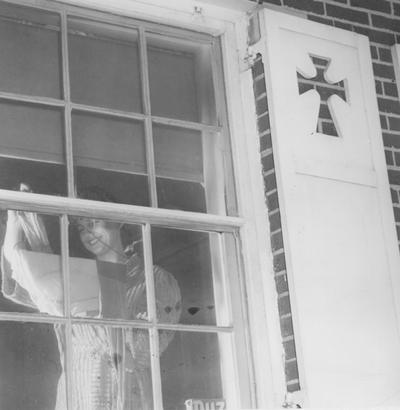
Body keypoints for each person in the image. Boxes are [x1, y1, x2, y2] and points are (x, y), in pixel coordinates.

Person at [1, 185, 182, 409]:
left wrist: (84, 315)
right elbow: (20, 280)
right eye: (81, 228)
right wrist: (15, 218)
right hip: (77, 395)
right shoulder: (74, 277)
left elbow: (145, 348)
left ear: (118, 220)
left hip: (123, 396)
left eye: (94, 223)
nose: (88, 234)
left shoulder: (155, 278)